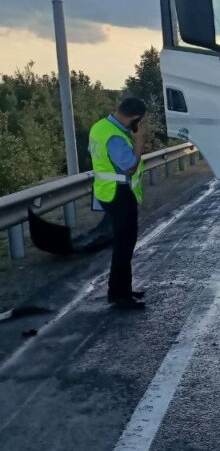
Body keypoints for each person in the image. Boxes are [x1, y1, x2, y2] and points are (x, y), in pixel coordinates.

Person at [88, 98, 148, 310]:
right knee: (124, 245)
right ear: (135, 118)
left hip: (105, 191)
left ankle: (120, 289)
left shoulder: (100, 127)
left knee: (122, 244)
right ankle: (119, 295)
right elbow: (130, 167)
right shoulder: (115, 137)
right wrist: (139, 143)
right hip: (119, 193)